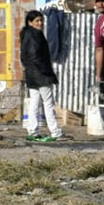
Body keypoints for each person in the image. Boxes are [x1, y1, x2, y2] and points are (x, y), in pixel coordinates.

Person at [20, 10, 63, 142]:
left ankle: (33, 130)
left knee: (34, 102)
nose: (40, 23)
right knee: (48, 103)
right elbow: (35, 55)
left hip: (31, 74)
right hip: (41, 74)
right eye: (37, 21)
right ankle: (56, 132)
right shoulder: (35, 35)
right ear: (30, 22)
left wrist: (30, 69)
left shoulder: (26, 35)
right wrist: (44, 71)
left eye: (41, 20)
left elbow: (23, 57)